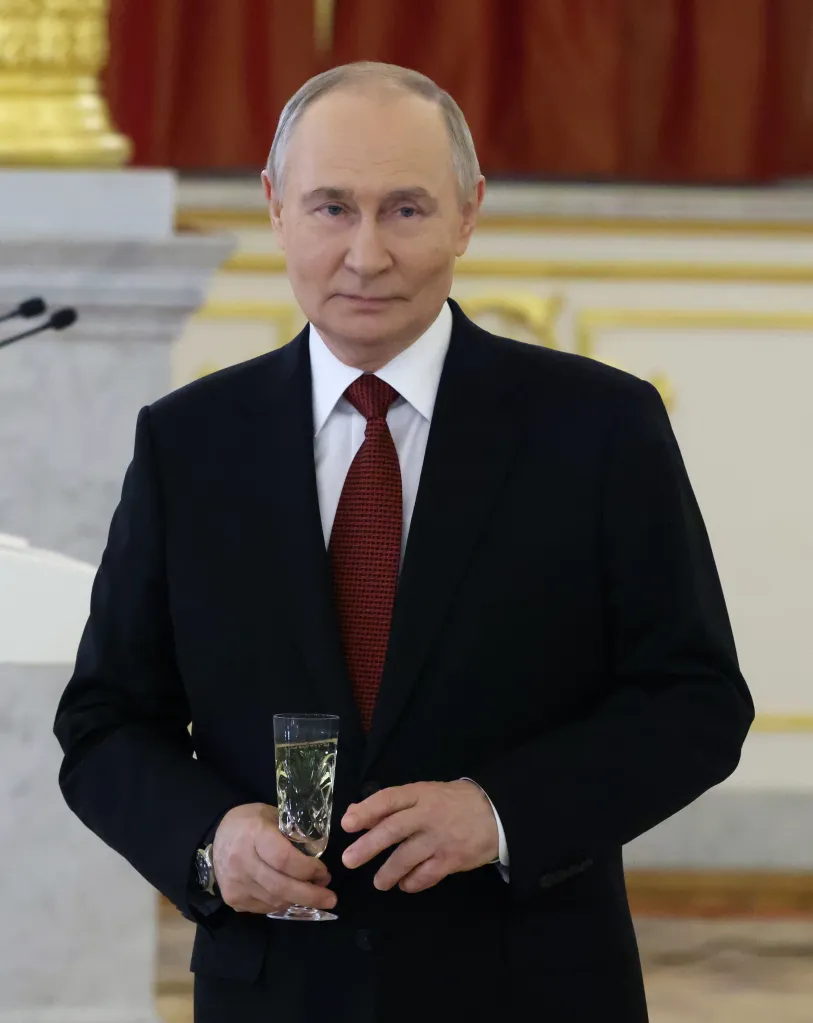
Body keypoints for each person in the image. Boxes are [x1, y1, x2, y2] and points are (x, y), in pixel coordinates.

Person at [54, 62, 754, 1023]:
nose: (366, 254)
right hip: (278, 994)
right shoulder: (187, 442)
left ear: (468, 214)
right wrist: (211, 840)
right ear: (275, 207)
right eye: (332, 208)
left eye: (407, 210)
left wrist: (500, 812)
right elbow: (104, 724)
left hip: (531, 988)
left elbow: (696, 701)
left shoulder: (598, 427)